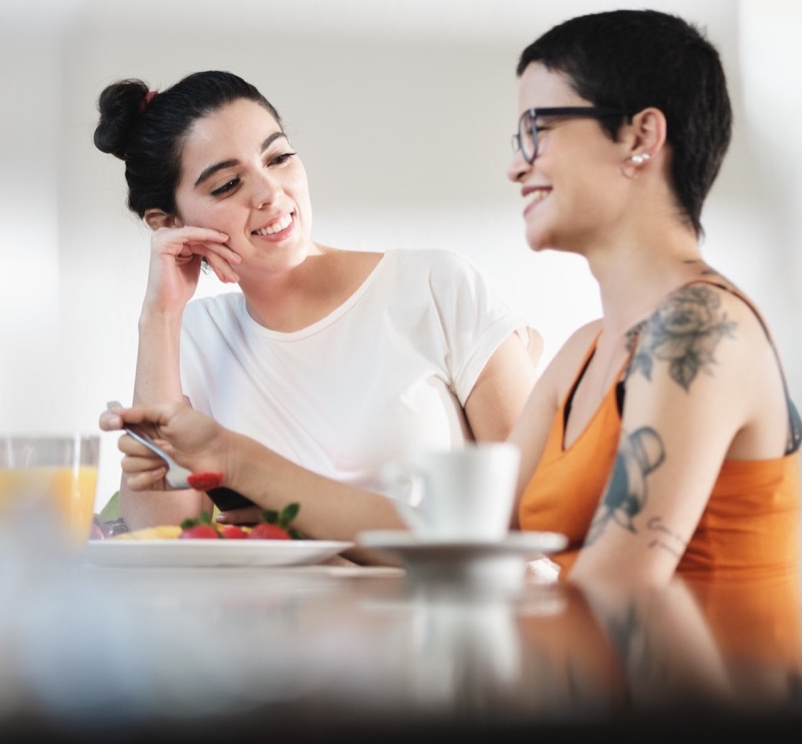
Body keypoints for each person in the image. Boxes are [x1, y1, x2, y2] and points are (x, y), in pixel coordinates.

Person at [92, 69, 541, 545]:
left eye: (279, 157)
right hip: (276, 619)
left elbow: (533, 508)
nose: (270, 193)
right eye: (227, 185)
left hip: (443, 611)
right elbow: (167, 537)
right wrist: (159, 317)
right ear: (169, 222)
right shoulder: (196, 338)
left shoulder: (436, 287)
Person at [502, 10, 802, 671]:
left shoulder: (700, 324)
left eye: (537, 130)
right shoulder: (581, 351)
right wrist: (239, 460)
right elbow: (464, 536)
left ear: (641, 134)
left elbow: (613, 588)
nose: (514, 167)